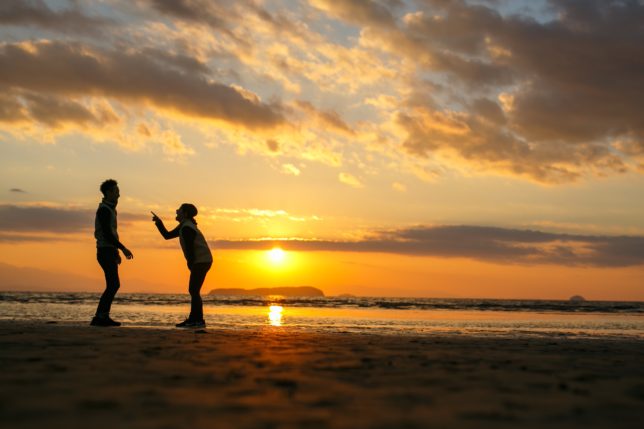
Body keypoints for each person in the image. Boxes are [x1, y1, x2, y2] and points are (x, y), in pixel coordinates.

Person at [152, 204, 213, 328]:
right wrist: (159, 223)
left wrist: (190, 264)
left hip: (201, 261)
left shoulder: (187, 227)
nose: (176, 211)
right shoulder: (184, 225)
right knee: (194, 290)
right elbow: (167, 236)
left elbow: (190, 249)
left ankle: (196, 320)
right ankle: (197, 320)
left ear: (185, 214)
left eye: (179, 210)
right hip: (201, 260)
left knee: (194, 290)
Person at [91, 179, 134, 327]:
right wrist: (123, 248)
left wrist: (116, 251)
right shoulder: (104, 209)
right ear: (108, 192)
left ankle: (102, 316)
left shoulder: (110, 209)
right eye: (116, 191)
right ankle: (100, 317)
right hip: (104, 251)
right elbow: (108, 234)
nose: (119, 195)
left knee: (113, 284)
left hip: (109, 251)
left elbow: (112, 234)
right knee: (113, 284)